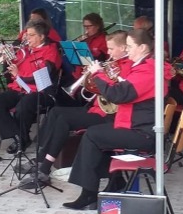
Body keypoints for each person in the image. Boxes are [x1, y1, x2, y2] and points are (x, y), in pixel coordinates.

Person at [63, 29, 174, 210]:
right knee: (98, 135)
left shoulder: (148, 70)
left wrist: (98, 74)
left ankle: (89, 194)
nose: (127, 50)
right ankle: (114, 182)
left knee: (92, 136)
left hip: (142, 133)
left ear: (143, 47)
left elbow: (120, 94)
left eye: (130, 46)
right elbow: (126, 88)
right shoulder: (144, 66)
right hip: (138, 126)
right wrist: (106, 77)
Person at [16, 30, 132, 179]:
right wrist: (89, 77)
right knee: (56, 112)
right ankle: (40, 158)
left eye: (111, 49)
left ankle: (45, 167)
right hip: (96, 108)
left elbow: (116, 90)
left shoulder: (127, 66)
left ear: (123, 48)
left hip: (109, 115)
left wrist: (98, 75)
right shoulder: (114, 63)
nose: (108, 52)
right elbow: (98, 89)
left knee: (64, 119)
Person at [0, 20, 62, 154]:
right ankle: (18, 137)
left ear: (42, 37)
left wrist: (19, 75)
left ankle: (21, 139)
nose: (27, 38)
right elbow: (8, 74)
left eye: (31, 35)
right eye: (27, 35)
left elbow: (43, 75)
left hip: (42, 91)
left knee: (23, 106)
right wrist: (7, 58)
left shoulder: (51, 51)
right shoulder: (24, 50)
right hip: (19, 89)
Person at [70, 13, 108, 80]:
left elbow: (105, 60)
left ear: (97, 26)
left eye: (89, 26)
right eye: (85, 26)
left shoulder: (104, 40)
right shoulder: (85, 38)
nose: (86, 29)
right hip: (79, 74)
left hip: (92, 76)